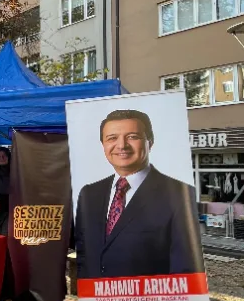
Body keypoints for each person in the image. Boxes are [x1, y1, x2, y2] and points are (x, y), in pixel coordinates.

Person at [73, 109, 204, 278]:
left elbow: (185, 269)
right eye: (112, 138)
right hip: (97, 299)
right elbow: (84, 252)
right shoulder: (89, 193)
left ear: (150, 142)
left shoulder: (180, 195)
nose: (122, 145)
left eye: (132, 137)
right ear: (103, 145)